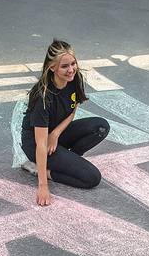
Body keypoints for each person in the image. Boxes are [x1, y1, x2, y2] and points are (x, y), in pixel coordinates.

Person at [19, 39, 110, 207]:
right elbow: (40, 143)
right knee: (91, 178)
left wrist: (55, 134)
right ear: (52, 67)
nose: (71, 70)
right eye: (64, 66)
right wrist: (43, 187)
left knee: (100, 126)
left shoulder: (74, 79)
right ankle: (40, 169)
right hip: (37, 144)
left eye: (73, 64)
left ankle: (68, 160)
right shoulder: (43, 96)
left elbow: (72, 109)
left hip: (54, 136)